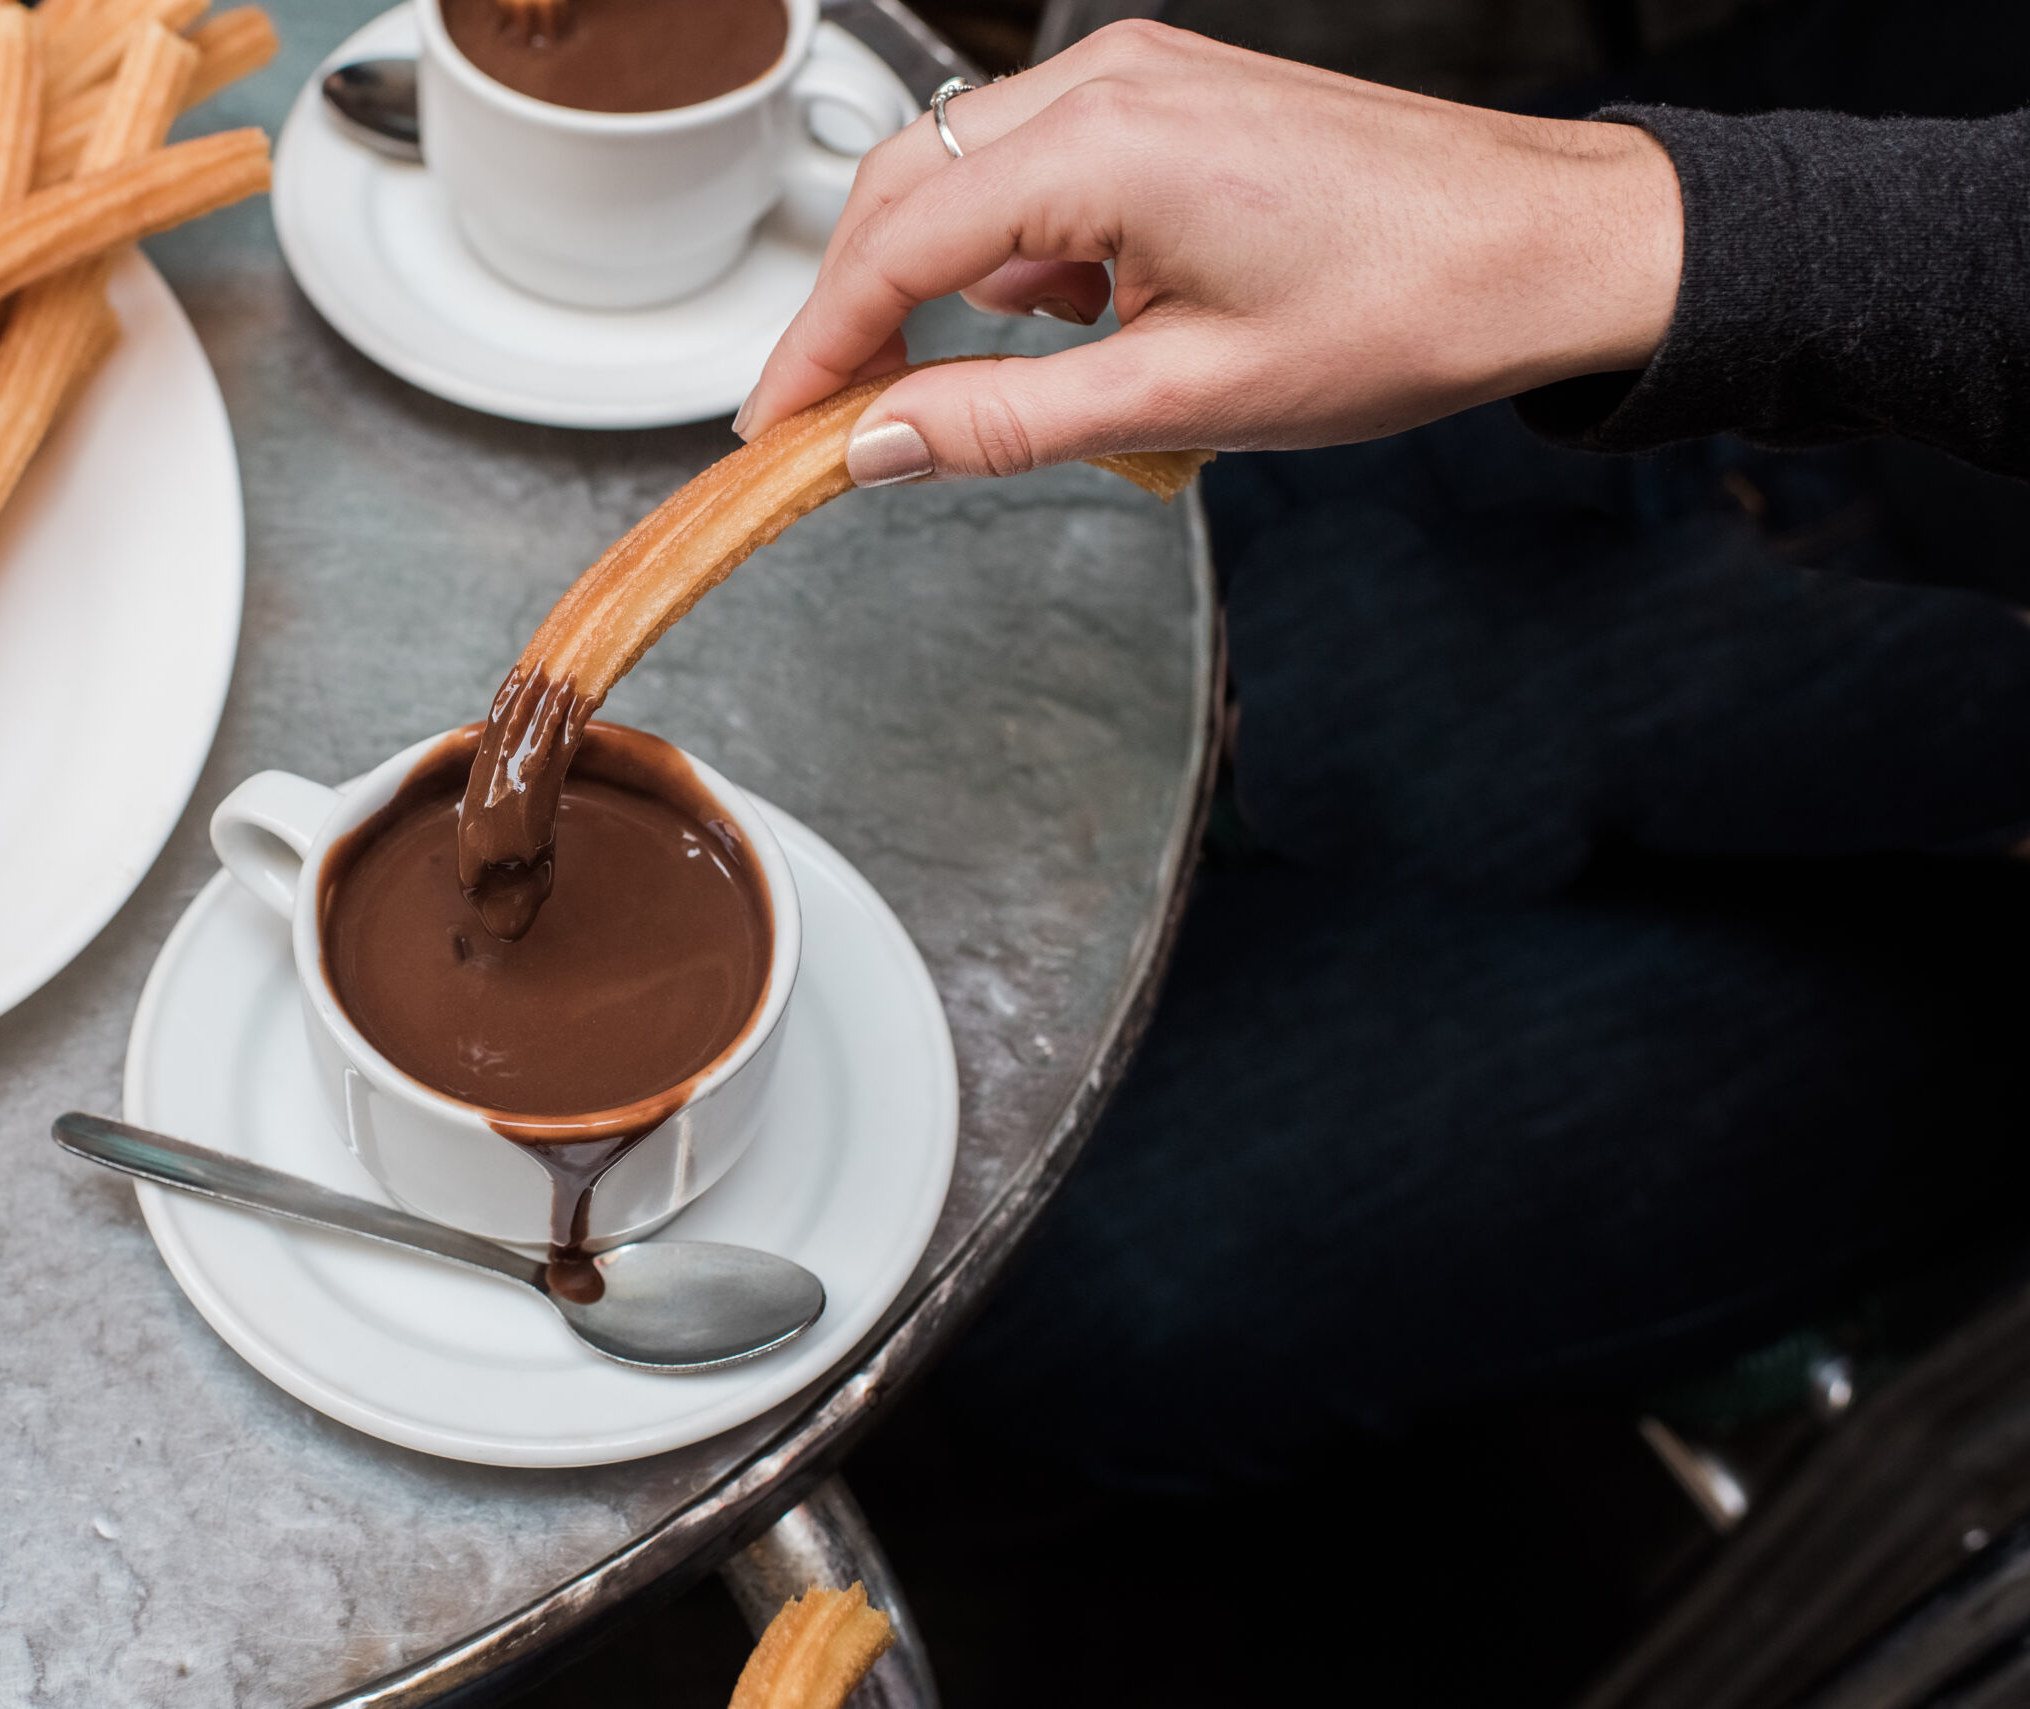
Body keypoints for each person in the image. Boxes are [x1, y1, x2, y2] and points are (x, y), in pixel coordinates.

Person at [738, 14, 2030, 1490]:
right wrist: (1613, 216)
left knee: (1050, 1255)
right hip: (1852, 173)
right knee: (936, 615)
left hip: (1979, 836)